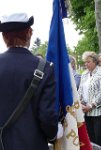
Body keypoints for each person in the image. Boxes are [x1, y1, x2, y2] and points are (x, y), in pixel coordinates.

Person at [0, 13, 59, 150]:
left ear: (4, 37)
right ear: (29, 33)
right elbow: (47, 116)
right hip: (32, 144)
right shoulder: (45, 68)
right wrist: (53, 134)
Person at [78, 51, 101, 149]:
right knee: (90, 138)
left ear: (95, 62)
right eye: (85, 62)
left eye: (88, 62)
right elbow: (80, 91)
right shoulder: (84, 74)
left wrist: (91, 106)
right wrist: (80, 103)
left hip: (98, 112)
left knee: (99, 138)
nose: (86, 64)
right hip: (85, 112)